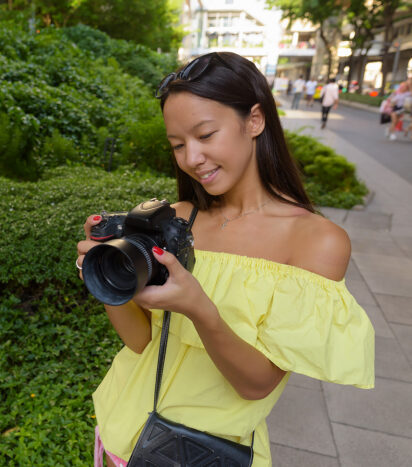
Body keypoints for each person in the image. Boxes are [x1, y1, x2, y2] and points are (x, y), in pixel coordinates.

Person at [75, 52, 374, 467]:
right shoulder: (177, 219)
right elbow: (141, 342)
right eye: (178, 145)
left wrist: (199, 308)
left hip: (206, 454)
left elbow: (257, 385)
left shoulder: (317, 242)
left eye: (206, 135)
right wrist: (106, 274)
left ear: (254, 120)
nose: (191, 158)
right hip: (122, 437)